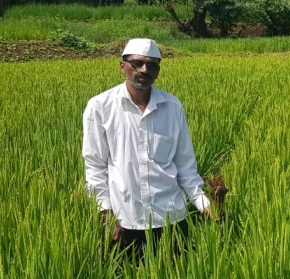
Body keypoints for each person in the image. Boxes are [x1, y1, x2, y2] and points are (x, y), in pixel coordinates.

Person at [82, 38, 211, 259]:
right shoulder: (100, 107)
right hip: (125, 221)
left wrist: (205, 205)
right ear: (122, 66)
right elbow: (95, 166)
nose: (144, 70)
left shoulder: (172, 107)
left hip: (171, 220)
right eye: (137, 63)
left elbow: (185, 166)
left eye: (152, 65)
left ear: (158, 70)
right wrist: (105, 212)